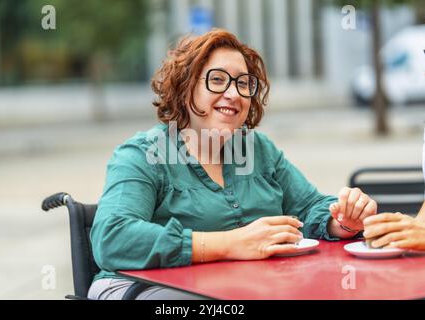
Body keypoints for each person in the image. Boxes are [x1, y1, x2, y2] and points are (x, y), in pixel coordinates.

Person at [87, 29, 377, 300]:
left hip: (239, 286)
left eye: (243, 83)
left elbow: (309, 205)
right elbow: (113, 236)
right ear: (185, 86)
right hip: (143, 286)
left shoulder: (258, 150)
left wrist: (341, 220)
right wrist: (231, 243)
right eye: (217, 80)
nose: (234, 93)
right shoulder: (143, 155)